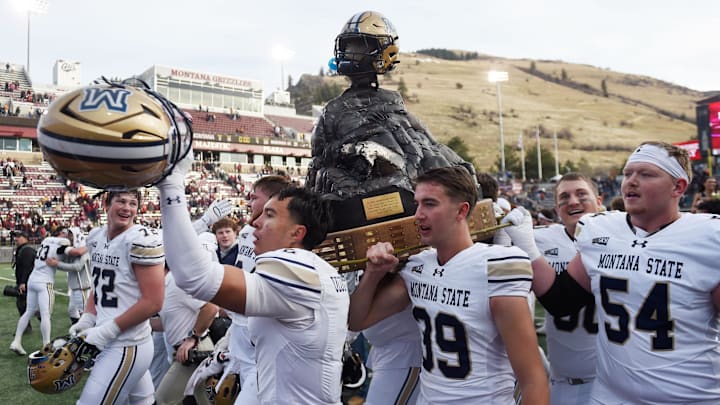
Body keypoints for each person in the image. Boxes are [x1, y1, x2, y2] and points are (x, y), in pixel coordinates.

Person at [504, 141, 720, 404]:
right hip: (609, 397)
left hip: (688, 397)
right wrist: (526, 247)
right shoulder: (603, 231)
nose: (631, 181)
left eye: (646, 174)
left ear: (678, 187)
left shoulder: (708, 237)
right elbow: (561, 301)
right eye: (628, 173)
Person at [157, 151, 350, 404]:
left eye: (269, 216)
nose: (255, 223)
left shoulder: (296, 268)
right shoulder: (314, 269)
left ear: (297, 233)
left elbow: (195, 277)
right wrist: (229, 352)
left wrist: (171, 183)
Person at [348, 166, 549, 404]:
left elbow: (532, 378)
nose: (418, 215)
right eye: (418, 204)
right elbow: (357, 320)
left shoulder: (495, 266)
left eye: (430, 204)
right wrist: (373, 273)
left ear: (461, 210)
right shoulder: (418, 267)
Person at [69, 190, 165, 405]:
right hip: (111, 338)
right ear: (106, 203)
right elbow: (100, 286)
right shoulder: (95, 236)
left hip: (127, 343)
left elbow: (153, 301)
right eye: (121, 201)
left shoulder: (140, 240)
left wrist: (106, 331)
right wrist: (87, 317)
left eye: (132, 203)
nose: (127, 208)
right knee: (143, 402)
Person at [215, 174, 290, 404]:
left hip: (258, 324)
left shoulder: (280, 234)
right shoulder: (247, 232)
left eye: (254, 197)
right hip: (239, 323)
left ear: (271, 199)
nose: (249, 202)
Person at [533, 173, 602, 405]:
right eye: (565, 197)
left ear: (599, 201)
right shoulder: (538, 240)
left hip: (610, 383)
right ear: (556, 208)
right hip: (561, 383)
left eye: (582, 194)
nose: (573, 201)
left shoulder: (621, 237)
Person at [155, 251, 219, 404]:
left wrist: (193, 337)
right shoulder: (165, 284)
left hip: (195, 351)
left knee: (163, 399)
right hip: (190, 350)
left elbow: (211, 308)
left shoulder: (176, 283)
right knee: (203, 400)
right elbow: (166, 323)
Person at [10, 228, 71, 355]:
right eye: (65, 233)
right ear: (61, 234)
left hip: (32, 280)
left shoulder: (46, 240)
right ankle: (46, 346)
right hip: (44, 281)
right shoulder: (62, 240)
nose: (68, 236)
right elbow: (67, 246)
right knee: (45, 315)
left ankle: (16, 341)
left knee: (28, 312)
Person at [46, 234, 92, 325]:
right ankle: (77, 330)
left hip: (83, 286)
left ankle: (88, 334)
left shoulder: (84, 251)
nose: (70, 238)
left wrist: (57, 264)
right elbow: (66, 266)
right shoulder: (72, 252)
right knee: (72, 310)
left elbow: (77, 267)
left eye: (71, 235)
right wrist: (55, 263)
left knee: (84, 312)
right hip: (75, 287)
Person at [11, 231, 36, 332]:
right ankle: (27, 326)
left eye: (18, 237)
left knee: (24, 304)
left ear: (25, 238)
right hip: (26, 281)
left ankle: (41, 322)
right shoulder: (23, 249)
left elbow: (27, 267)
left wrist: (23, 282)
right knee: (22, 304)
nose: (16, 239)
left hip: (28, 282)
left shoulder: (27, 250)